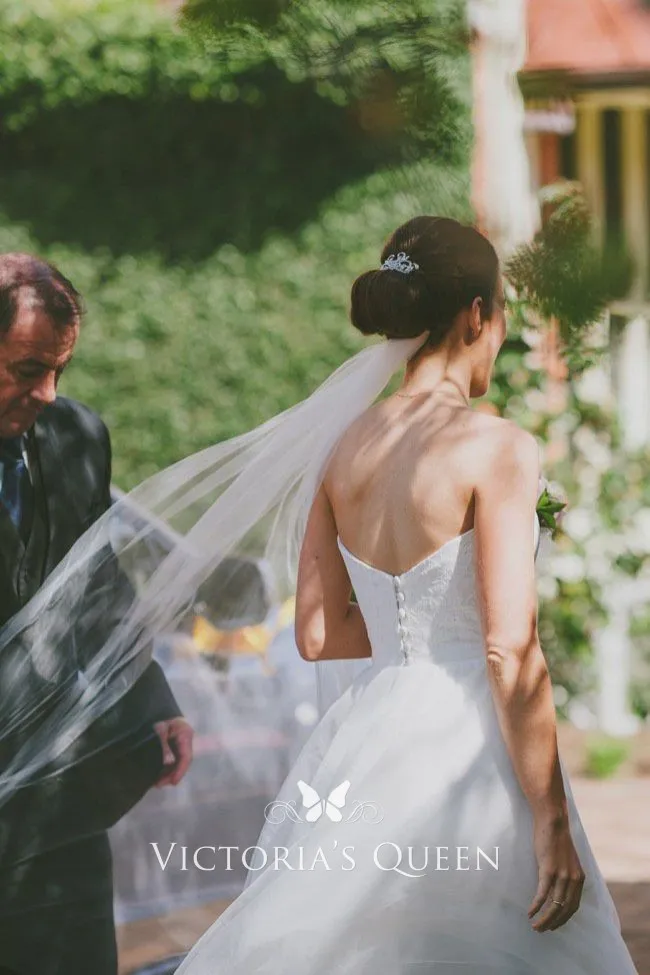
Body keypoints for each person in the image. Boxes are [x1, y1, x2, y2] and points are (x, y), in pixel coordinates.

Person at [172, 217, 638, 973]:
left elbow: (319, 636)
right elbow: (507, 647)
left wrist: (410, 637)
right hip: (469, 752)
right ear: (476, 315)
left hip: (372, 737)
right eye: (500, 323)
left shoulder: (342, 447)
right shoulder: (498, 447)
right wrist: (550, 817)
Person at [0, 254, 194, 975]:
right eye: (27, 369)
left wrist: (152, 698)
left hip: (62, 790)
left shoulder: (79, 435)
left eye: (60, 369)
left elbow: (98, 584)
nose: (48, 392)